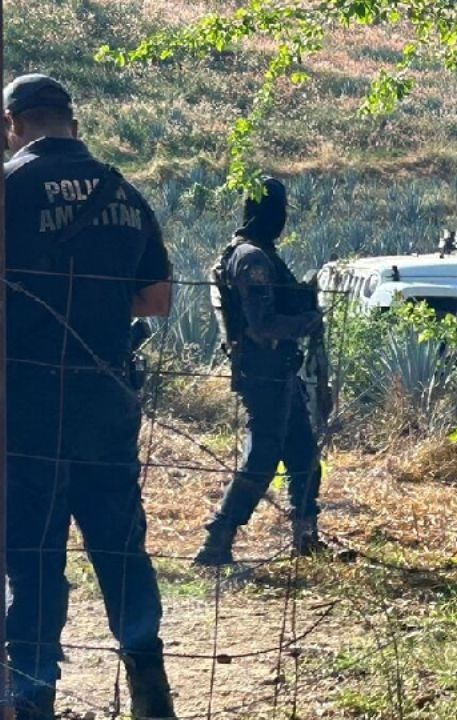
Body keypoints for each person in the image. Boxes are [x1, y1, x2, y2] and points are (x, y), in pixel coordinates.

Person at [4, 74, 176, 719]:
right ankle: (151, 692)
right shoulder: (123, 191)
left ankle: (33, 700)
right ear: (72, 123)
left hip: (26, 407)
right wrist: (97, 304)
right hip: (107, 402)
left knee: (34, 559)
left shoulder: (9, 189)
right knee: (121, 549)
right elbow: (158, 300)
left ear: (12, 125)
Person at [196, 177, 325, 566]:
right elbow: (262, 324)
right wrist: (308, 321)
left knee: (303, 454)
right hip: (264, 372)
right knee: (263, 457)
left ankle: (306, 536)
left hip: (280, 370)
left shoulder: (258, 253)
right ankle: (218, 538)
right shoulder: (251, 258)